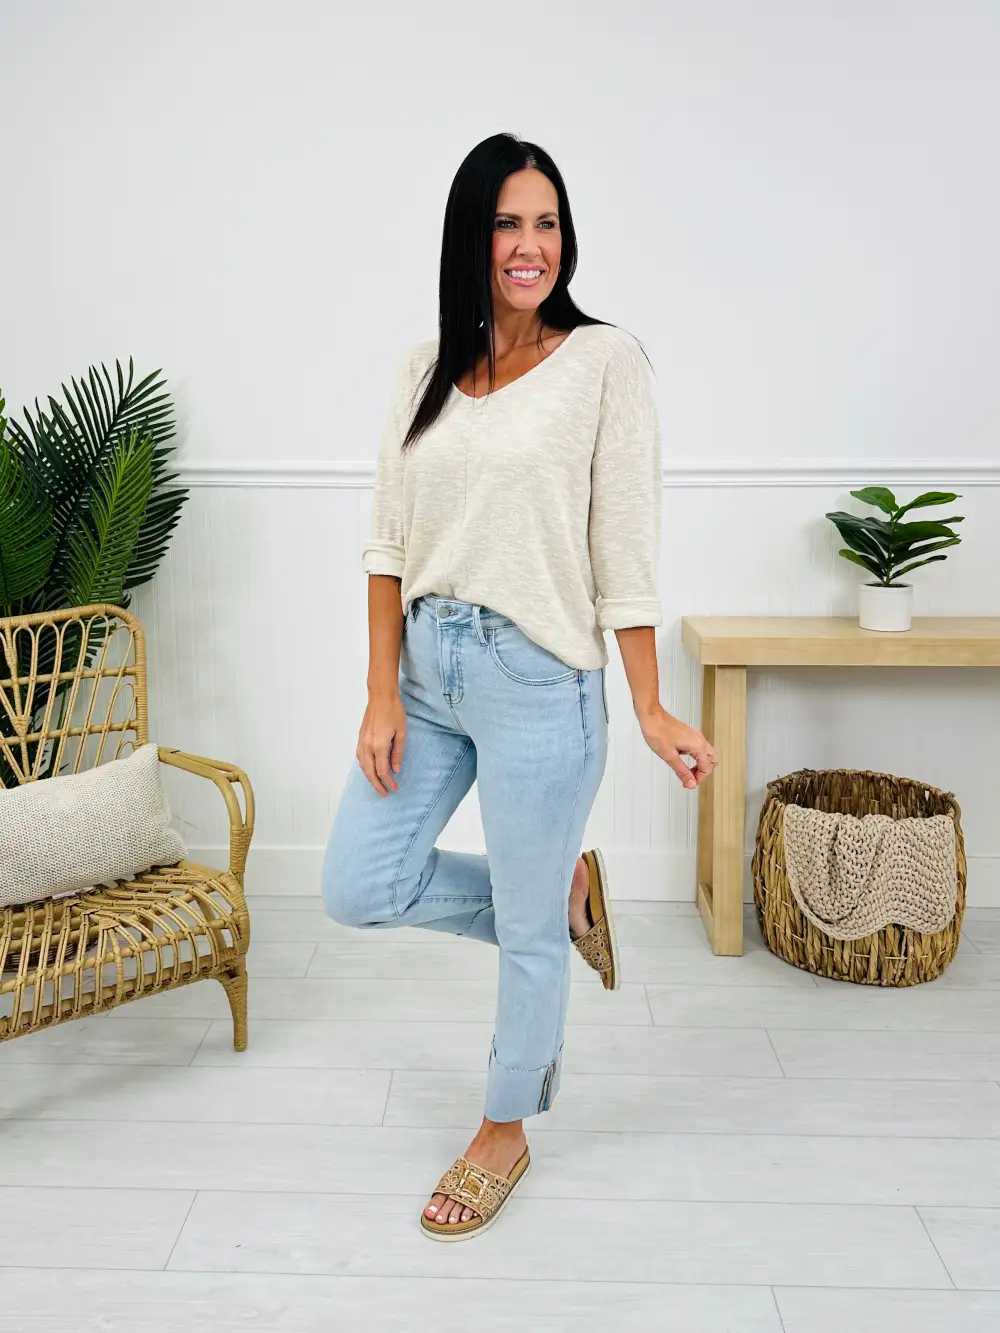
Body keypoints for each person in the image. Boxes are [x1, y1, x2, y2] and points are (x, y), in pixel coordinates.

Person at [322, 131, 716, 1242]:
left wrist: (649, 705)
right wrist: (380, 692)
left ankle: (505, 1125)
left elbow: (623, 552)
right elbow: (386, 545)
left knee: (529, 938)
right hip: (426, 671)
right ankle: (561, 900)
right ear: (473, 237)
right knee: (357, 883)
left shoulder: (604, 362)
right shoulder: (423, 370)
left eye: (546, 223)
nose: (529, 245)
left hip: (541, 678)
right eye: (507, 223)